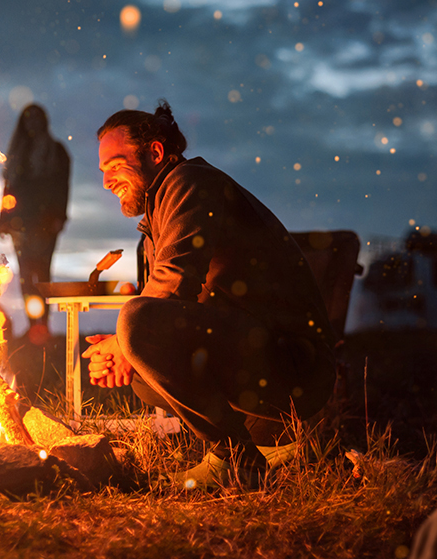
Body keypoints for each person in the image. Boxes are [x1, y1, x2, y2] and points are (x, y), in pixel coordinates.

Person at [82, 100, 337, 489]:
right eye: (102, 171)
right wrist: (126, 351)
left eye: (116, 165)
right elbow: (174, 301)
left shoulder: (190, 183)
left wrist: (124, 340)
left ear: (155, 152)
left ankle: (236, 457)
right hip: (259, 358)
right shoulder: (160, 208)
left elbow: (173, 283)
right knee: (141, 371)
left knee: (136, 324)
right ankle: (268, 441)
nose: (106, 181)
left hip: (295, 364)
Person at [0, 104, 70, 337]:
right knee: (26, 277)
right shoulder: (19, 152)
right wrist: (3, 219)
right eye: (28, 119)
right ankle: (33, 326)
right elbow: (9, 189)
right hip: (21, 223)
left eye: (37, 118)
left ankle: (43, 326)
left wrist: (59, 216)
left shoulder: (56, 151)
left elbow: (62, 187)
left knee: (43, 274)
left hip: (46, 222)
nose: (33, 124)